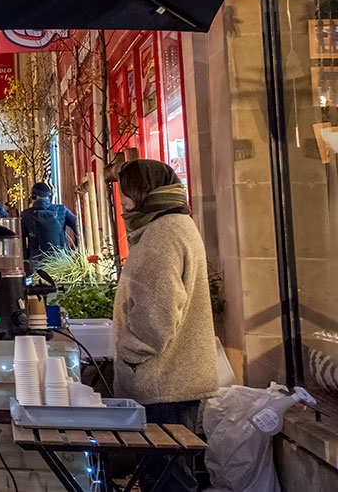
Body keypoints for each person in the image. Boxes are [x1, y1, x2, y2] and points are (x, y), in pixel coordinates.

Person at [113, 160, 217, 492]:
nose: (123, 203)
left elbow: (155, 320)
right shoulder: (173, 225)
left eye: (125, 194)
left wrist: (130, 352)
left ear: (142, 193)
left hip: (164, 383)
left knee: (166, 479)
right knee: (168, 473)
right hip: (173, 378)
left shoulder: (162, 235)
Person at [20, 181, 79, 264]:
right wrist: (73, 249)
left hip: (36, 261)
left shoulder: (26, 214)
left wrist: (26, 257)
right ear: (49, 195)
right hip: (61, 259)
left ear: (33, 196)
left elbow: (20, 239)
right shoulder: (62, 210)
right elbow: (79, 227)